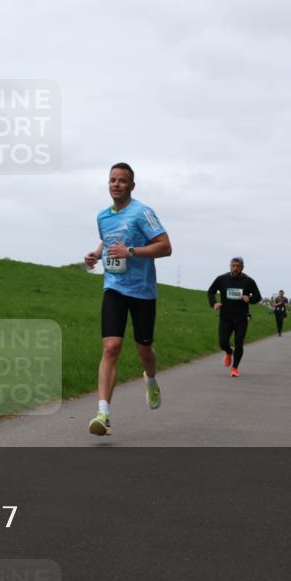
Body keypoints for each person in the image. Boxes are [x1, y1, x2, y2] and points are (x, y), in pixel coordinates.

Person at [83, 163, 172, 436]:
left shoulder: (143, 212)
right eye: (113, 180)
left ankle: (151, 379)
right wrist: (96, 254)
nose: (116, 184)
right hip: (114, 287)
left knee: (144, 350)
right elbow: (109, 242)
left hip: (142, 291)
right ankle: (103, 414)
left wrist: (130, 251)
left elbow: (165, 247)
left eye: (122, 181)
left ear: (132, 186)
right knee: (111, 347)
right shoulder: (102, 216)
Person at [207, 257, 261, 377]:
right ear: (230, 266)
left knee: (239, 343)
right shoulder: (222, 279)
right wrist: (214, 303)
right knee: (223, 342)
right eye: (233, 265)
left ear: (242, 267)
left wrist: (250, 299)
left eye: (238, 266)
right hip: (226, 317)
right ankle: (228, 351)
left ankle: (235, 368)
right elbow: (211, 292)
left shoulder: (249, 281)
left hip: (241, 318)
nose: (235, 268)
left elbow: (258, 297)